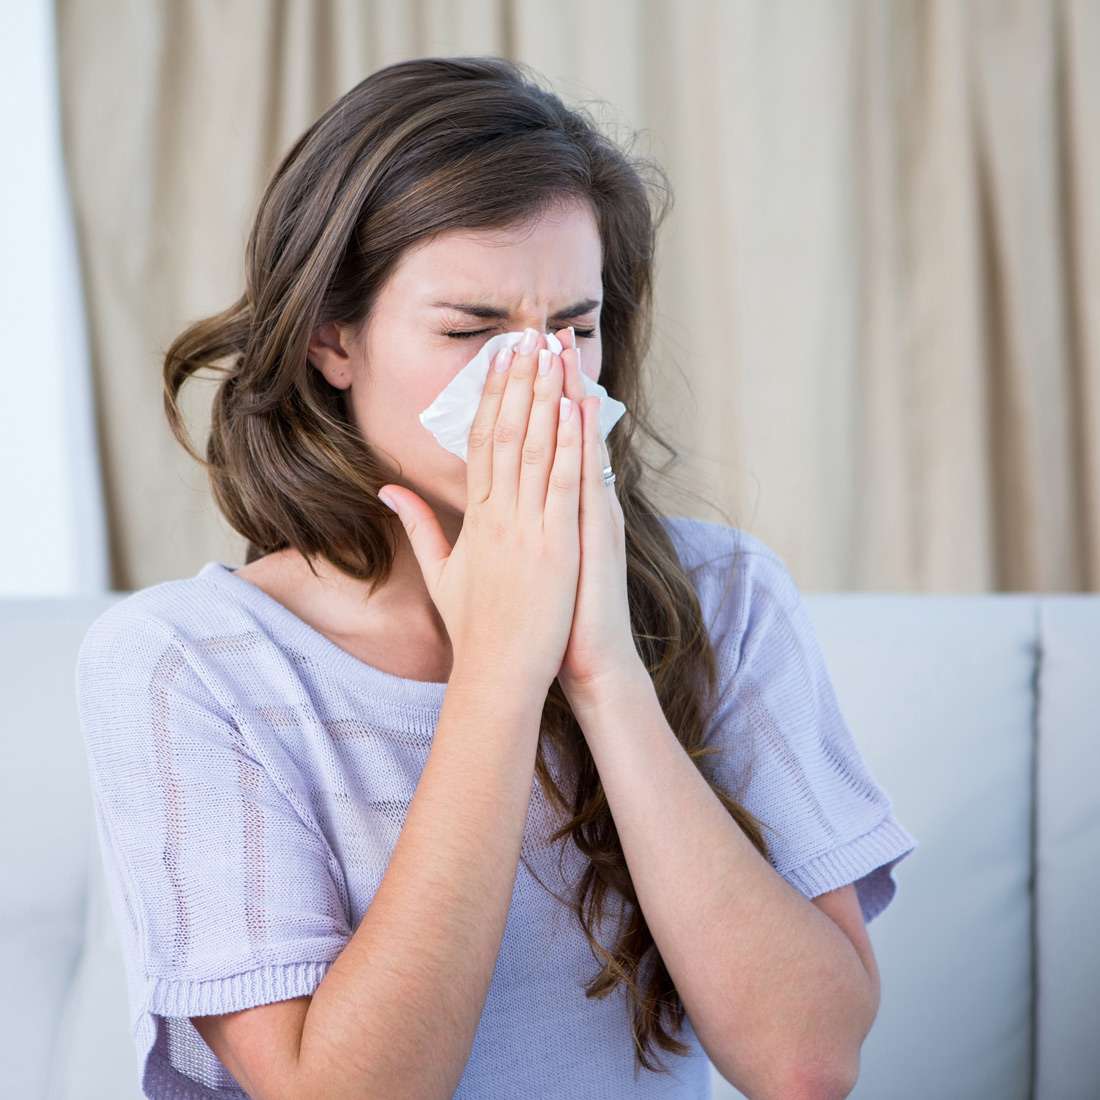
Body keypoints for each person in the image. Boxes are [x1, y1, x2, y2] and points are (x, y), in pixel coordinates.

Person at [75, 55, 918, 1100]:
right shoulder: (187, 665)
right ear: (334, 337)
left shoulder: (725, 591)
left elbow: (805, 1062)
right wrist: (497, 674)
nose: (536, 380)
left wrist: (603, 672)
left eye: (572, 328)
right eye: (470, 331)